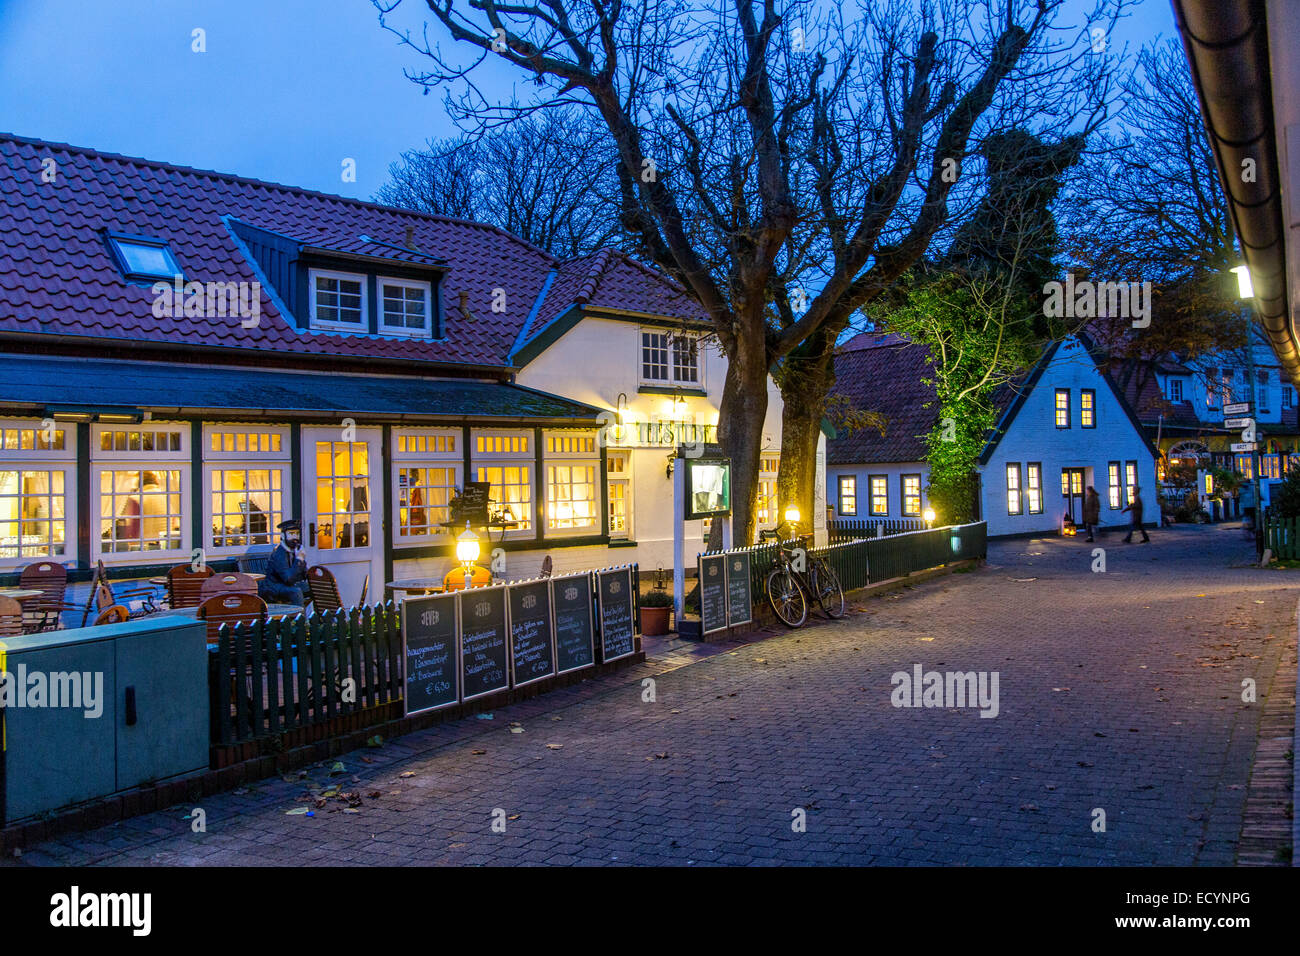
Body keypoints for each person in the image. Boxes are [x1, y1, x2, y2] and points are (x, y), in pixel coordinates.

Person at [260, 518, 311, 605]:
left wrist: (305, 567)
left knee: (318, 587)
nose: (295, 537)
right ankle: (299, 617)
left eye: (297, 534)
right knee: (296, 592)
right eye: (291, 534)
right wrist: (299, 560)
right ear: (283, 536)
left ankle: (326, 616)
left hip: (287, 585)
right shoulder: (279, 553)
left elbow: (303, 575)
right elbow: (288, 579)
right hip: (273, 587)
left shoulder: (295, 550)